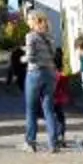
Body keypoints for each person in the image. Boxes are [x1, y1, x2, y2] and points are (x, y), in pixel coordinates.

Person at [20, 9, 67, 152]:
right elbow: (53, 54)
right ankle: (53, 143)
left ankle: (30, 142)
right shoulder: (49, 37)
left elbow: (31, 57)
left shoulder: (31, 36)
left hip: (35, 73)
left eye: (29, 19)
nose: (27, 21)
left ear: (35, 21)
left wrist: (22, 58)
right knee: (49, 109)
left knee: (31, 109)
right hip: (50, 74)